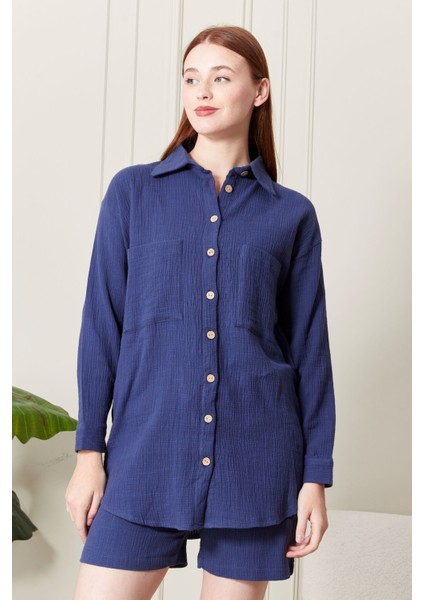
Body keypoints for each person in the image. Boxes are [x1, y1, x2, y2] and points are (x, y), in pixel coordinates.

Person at [65, 24, 336, 600]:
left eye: (220, 77)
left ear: (259, 91)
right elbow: (102, 329)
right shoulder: (133, 193)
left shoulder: (291, 215)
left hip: (256, 461)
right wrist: (90, 455)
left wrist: (315, 477)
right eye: (191, 79)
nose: (202, 92)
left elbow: (310, 352)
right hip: (145, 454)